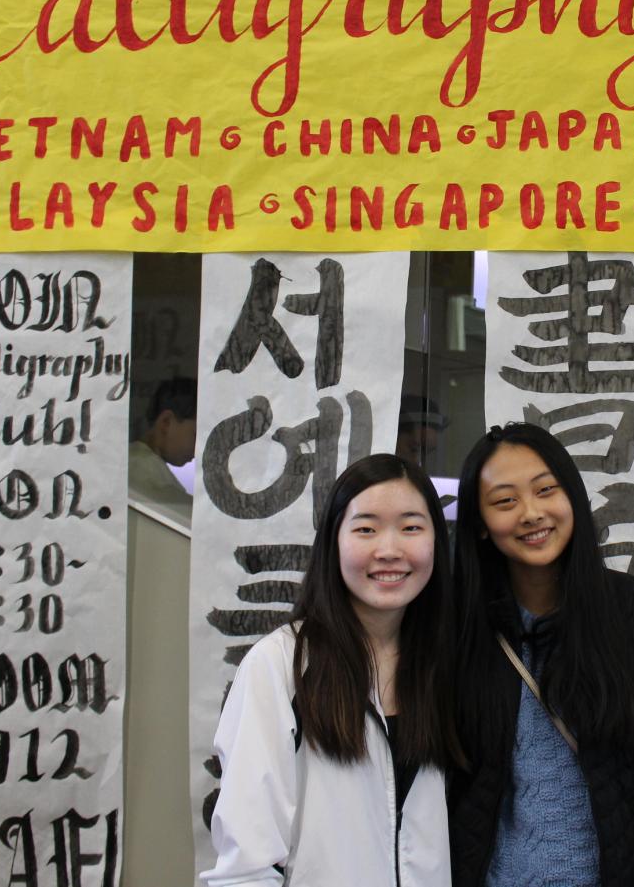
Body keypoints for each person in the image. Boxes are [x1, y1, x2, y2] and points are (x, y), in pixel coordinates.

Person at [448, 423, 634, 887]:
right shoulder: (465, 629)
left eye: (546, 490)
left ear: (572, 496)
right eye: (505, 501)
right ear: (482, 526)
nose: (531, 513)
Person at [202, 455, 461, 887]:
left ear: (437, 540)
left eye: (412, 527)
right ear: (333, 543)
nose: (389, 549)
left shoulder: (442, 664)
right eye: (366, 528)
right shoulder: (280, 665)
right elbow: (245, 866)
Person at [129, 377, 196, 515]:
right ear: (166, 422)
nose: (198, 449)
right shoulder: (143, 468)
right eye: (195, 434)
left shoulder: (137, 460)